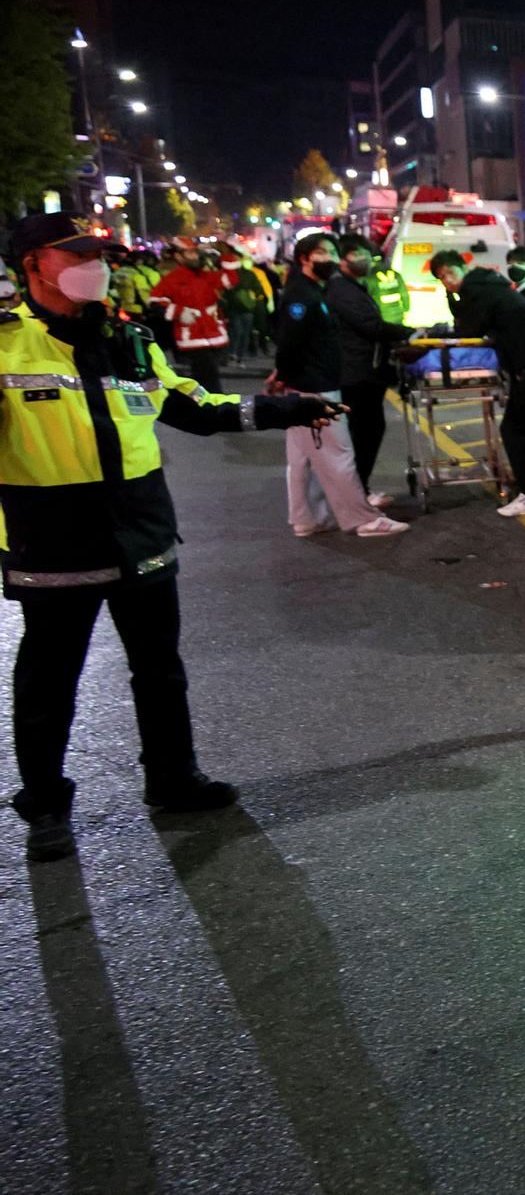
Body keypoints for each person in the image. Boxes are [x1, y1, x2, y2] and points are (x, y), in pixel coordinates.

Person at [3, 212, 344, 863]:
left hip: (142, 530)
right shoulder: (5, 346)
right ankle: (45, 803)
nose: (93, 266)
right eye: (75, 255)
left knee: (159, 670)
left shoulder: (128, 339)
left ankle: (173, 778)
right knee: (49, 682)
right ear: (33, 266)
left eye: (98, 254)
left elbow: (192, 406)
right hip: (52, 540)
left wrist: (287, 407)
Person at [272, 233, 410, 539]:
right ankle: (362, 519)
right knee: (339, 454)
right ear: (303, 258)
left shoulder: (309, 291)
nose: (330, 259)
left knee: (302, 459)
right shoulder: (303, 297)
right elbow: (289, 341)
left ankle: (308, 518)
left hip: (304, 384)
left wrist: (281, 375)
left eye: (333, 252)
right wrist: (283, 373)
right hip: (315, 385)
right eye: (322, 253)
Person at [428, 250, 525, 517]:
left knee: (513, 428)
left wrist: (441, 327)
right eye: (442, 279)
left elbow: (468, 330)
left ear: (462, 267)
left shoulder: (478, 290)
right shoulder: (487, 283)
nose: (448, 281)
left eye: (449, 273)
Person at [328, 234, 414, 508]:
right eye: (362, 255)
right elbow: (370, 326)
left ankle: (357, 491)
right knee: (364, 432)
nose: (368, 261)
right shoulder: (342, 289)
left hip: (365, 370)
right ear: (346, 258)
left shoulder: (353, 286)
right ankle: (355, 495)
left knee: (368, 430)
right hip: (357, 372)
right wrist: (409, 333)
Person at [149, 236, 231, 391]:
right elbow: (155, 302)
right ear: (178, 256)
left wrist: (229, 255)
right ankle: (215, 408)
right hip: (192, 336)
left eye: (195, 252)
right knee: (209, 379)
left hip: (212, 333)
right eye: (190, 253)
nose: (195, 256)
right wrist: (179, 312)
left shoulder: (205, 275)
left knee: (204, 379)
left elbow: (230, 280)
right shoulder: (172, 279)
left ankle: (202, 408)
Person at [365, 242, 413, 327]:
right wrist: (406, 308)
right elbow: (404, 294)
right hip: (398, 315)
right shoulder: (395, 274)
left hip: (383, 317)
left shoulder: (369, 277)